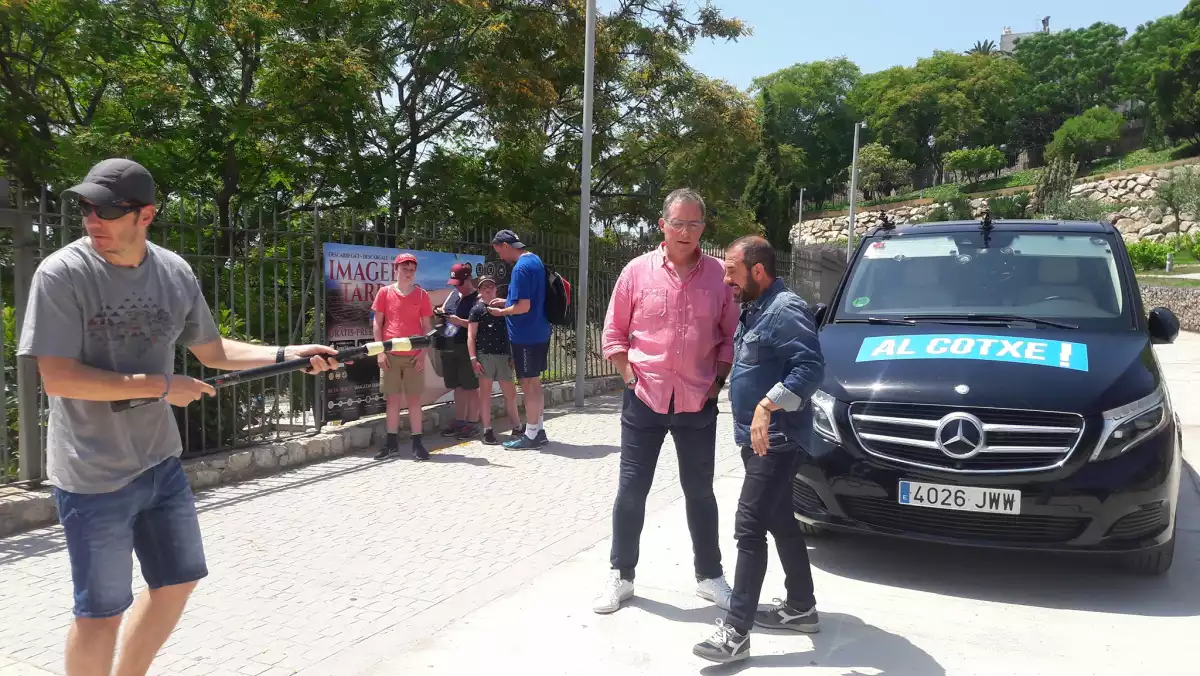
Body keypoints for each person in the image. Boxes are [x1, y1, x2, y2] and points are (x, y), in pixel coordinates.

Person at [16, 158, 339, 676]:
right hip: (91, 473)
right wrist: (164, 386)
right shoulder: (64, 273)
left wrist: (288, 353)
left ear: (145, 214)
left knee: (177, 582)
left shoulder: (173, 271)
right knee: (101, 612)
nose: (92, 220)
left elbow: (213, 352)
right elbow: (58, 378)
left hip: (159, 463)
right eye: (85, 208)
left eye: (106, 210)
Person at [593, 188, 739, 614]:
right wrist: (627, 374)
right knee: (631, 491)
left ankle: (710, 577)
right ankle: (621, 576)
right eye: (678, 222)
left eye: (694, 224)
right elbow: (614, 332)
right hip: (644, 397)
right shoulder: (637, 272)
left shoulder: (718, 276)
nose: (685, 231)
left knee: (700, 492)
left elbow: (730, 334)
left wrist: (718, 380)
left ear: (703, 228)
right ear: (662, 224)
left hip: (698, 400)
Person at [692, 235, 824, 664]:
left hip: (779, 439)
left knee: (749, 526)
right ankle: (801, 607)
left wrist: (768, 405)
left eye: (731, 270)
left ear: (758, 271)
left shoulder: (785, 309)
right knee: (780, 520)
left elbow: (810, 367)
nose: (726, 278)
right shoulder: (756, 306)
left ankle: (736, 632)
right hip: (759, 438)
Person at [488, 230, 551, 449]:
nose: (501, 257)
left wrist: (502, 312)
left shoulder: (521, 268)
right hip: (538, 331)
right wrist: (506, 301)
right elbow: (528, 298)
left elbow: (524, 306)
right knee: (535, 383)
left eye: (499, 252)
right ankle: (539, 429)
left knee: (528, 384)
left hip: (526, 335)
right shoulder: (535, 260)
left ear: (505, 245)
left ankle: (531, 435)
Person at [371, 252, 434, 460]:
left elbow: (427, 327)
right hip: (390, 354)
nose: (408, 273)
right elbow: (377, 323)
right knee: (393, 400)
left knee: (415, 400)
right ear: (396, 269)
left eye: (412, 269)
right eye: (405, 269)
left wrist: (423, 353)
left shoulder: (422, 295)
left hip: (413, 354)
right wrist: (380, 351)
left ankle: (418, 443)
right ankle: (391, 444)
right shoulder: (384, 293)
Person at [468, 275, 523, 444]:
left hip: (503, 355)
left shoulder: (504, 308)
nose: (488, 289)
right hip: (485, 355)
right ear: (479, 290)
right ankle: (487, 430)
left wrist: (513, 355)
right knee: (484, 394)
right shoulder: (477, 310)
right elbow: (471, 335)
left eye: (491, 286)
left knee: (510, 393)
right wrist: (473, 359)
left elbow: (513, 332)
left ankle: (517, 426)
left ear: (495, 288)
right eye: (484, 286)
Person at [438, 262, 482, 439]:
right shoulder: (453, 295)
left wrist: (459, 321)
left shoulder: (478, 299)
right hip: (450, 344)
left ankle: (472, 423)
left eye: (460, 284)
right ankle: (460, 421)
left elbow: (479, 324)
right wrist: (440, 312)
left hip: (467, 346)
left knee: (471, 386)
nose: (457, 288)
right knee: (457, 386)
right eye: (454, 284)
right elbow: (445, 311)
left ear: (468, 279)